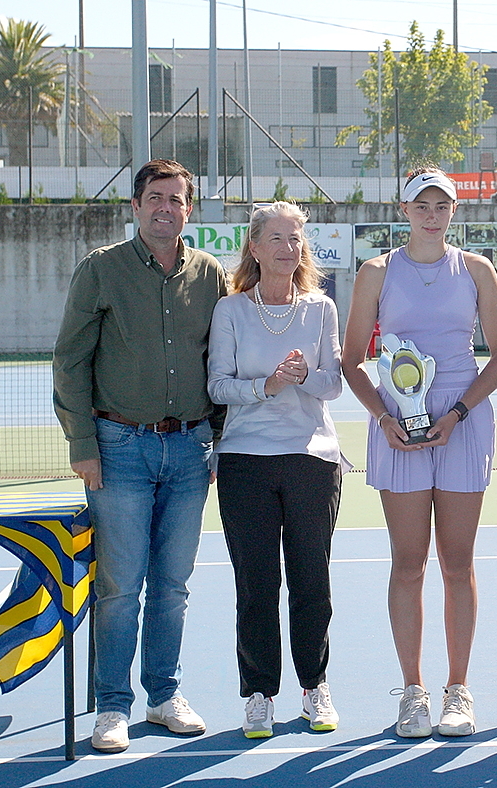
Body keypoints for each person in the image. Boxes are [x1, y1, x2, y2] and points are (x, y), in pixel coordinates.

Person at [53, 159, 226, 753]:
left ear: (189, 209)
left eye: (177, 200)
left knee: (172, 585)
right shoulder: (100, 270)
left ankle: (162, 694)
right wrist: (83, 445)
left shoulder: (210, 276)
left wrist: (219, 440)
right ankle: (112, 706)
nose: (165, 209)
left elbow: (221, 364)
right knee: (120, 586)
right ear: (135, 205)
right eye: (155, 198)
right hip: (118, 448)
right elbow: (71, 361)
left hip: (191, 448)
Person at [341, 167, 497, 738]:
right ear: (405, 209)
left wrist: (458, 413)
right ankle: (413, 692)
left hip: (463, 421)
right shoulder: (376, 272)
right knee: (408, 563)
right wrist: (386, 418)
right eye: (423, 204)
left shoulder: (478, 270)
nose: (433, 213)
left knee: (458, 565)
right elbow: (351, 362)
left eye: (442, 204)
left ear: (453, 211)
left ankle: (457, 692)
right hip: (399, 427)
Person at [208, 202, 350, 738]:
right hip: (245, 463)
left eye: (295, 239)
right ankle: (260, 694)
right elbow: (217, 386)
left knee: (312, 583)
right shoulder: (231, 311)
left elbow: (333, 383)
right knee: (257, 586)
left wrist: (302, 375)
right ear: (254, 246)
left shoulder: (320, 308)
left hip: (312, 461)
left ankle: (315, 688)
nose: (287, 249)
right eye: (276, 238)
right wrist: (265, 385)